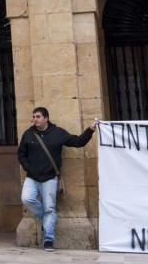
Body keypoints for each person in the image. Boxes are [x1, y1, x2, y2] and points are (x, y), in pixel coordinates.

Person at [17, 106, 97, 252]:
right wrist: (29, 168)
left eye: (38, 117)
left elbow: (78, 142)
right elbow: (21, 154)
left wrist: (90, 130)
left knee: (50, 208)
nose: (35, 119)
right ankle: (47, 218)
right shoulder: (28, 134)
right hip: (32, 177)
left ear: (46, 118)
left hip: (49, 178)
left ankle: (48, 238)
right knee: (26, 199)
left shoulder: (57, 133)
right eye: (33, 117)